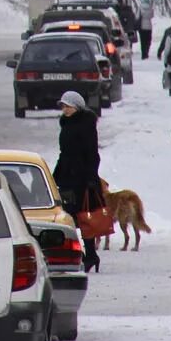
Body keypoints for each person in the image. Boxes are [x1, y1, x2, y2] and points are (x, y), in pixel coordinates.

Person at [53, 90, 102, 273]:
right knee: (69, 216)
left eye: (68, 106)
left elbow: (92, 153)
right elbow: (64, 153)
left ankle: (89, 254)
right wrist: (54, 176)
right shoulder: (66, 124)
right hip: (66, 176)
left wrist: (91, 177)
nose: (65, 109)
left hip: (81, 178)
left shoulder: (85, 124)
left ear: (77, 107)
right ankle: (83, 253)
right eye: (63, 106)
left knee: (81, 217)